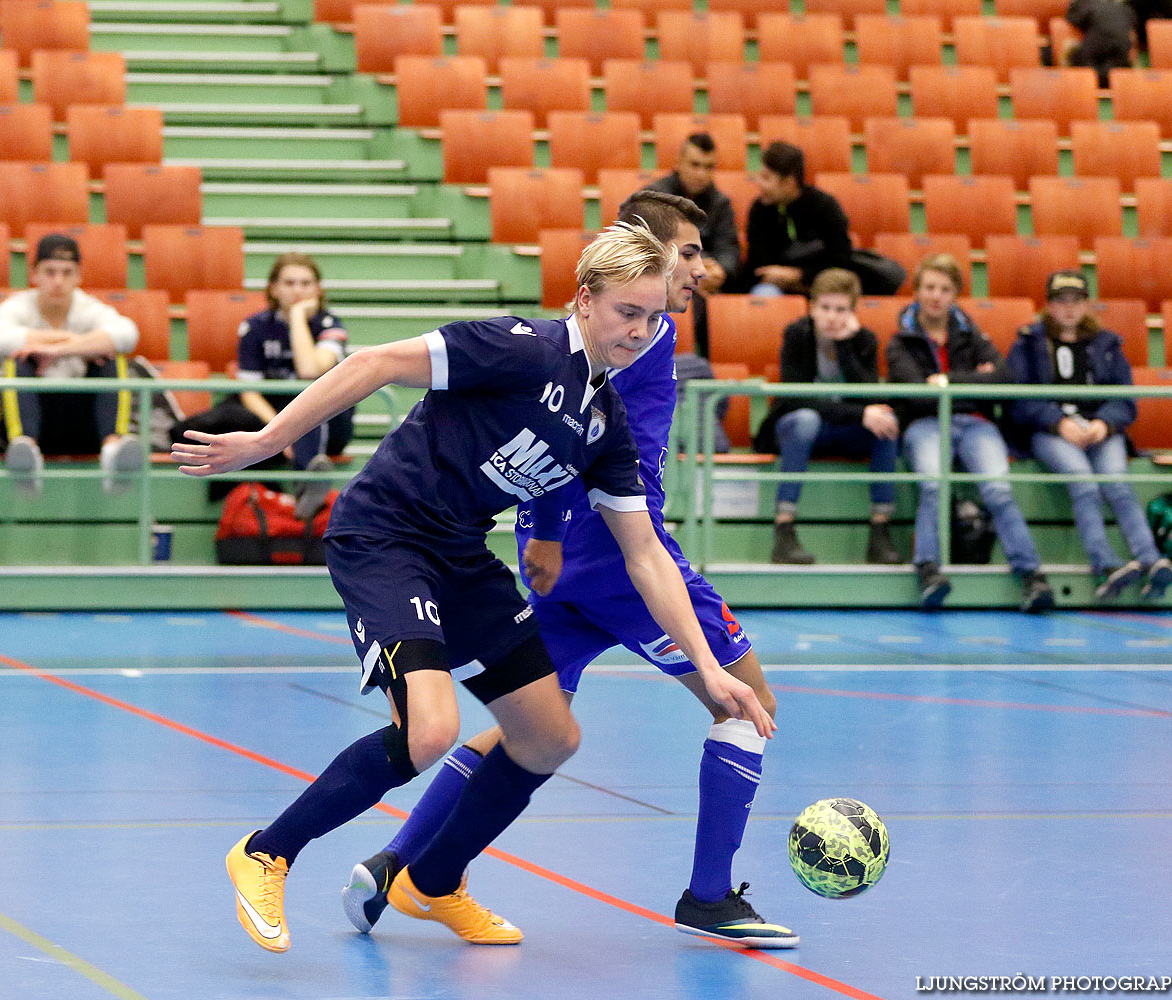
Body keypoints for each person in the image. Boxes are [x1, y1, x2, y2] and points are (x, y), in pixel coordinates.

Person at [172, 220, 776, 954]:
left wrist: (709, 669)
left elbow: (645, 552)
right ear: (584, 300)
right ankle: (268, 851)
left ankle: (432, 883)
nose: (641, 332)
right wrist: (267, 444)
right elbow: (376, 363)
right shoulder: (520, 348)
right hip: (386, 536)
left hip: (460, 553)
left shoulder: (603, 423)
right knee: (430, 731)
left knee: (549, 736)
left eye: (654, 319)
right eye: (627, 313)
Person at [337, 191, 798, 950]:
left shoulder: (613, 330)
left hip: (575, 559)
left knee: (534, 730)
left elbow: (553, 425)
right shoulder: (637, 330)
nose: (700, 268)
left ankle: (400, 864)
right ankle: (709, 896)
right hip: (625, 556)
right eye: (686, 252)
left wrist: (543, 530)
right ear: (638, 260)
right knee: (746, 702)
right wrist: (545, 525)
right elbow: (565, 421)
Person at [887, 254, 1054, 612]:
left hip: (975, 423)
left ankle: (1031, 576)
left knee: (998, 489)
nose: (936, 296)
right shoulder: (901, 340)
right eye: (929, 287)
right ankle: (928, 570)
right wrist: (974, 378)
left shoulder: (971, 334)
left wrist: (947, 382)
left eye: (945, 289)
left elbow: (1002, 377)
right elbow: (912, 389)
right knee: (933, 484)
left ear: (955, 295)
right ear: (917, 292)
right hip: (926, 423)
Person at [1005, 270, 1172, 600]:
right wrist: (1057, 422)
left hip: (1098, 428)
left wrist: (1105, 423)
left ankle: (1151, 560)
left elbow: (1125, 399)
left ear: (1086, 305)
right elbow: (1019, 400)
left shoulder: (1107, 344)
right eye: (1061, 301)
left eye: (1076, 301)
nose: (1068, 308)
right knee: (1083, 481)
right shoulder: (1027, 342)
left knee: (1117, 483)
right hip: (1049, 431)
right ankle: (1105, 565)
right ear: (1049, 306)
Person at [171, 252, 353, 514]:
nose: (298, 290)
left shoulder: (330, 325)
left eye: (306, 283)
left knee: (313, 407)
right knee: (226, 418)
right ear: (274, 288)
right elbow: (250, 392)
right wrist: (281, 432)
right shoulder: (255, 327)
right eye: (289, 283)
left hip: (321, 417)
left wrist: (299, 317)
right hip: (269, 416)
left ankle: (308, 487)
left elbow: (309, 369)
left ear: (317, 289)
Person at [754, 268, 901, 566]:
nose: (832, 317)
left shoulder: (864, 340)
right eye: (825, 308)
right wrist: (860, 414)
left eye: (841, 310)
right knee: (807, 418)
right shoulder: (797, 334)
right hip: (797, 429)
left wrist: (845, 346)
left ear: (853, 311)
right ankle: (784, 529)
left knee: (886, 422)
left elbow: (871, 398)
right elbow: (795, 397)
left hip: (843, 431)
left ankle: (880, 529)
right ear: (812, 307)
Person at [0, 233, 142, 497]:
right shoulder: (18, 307)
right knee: (17, 359)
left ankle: (113, 450)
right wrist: (81, 343)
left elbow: (127, 335)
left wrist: (58, 350)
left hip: (82, 417)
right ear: (34, 274)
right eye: (50, 272)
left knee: (112, 360)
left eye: (67, 273)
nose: (58, 281)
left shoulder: (88, 308)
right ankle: (25, 449)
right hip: (36, 416)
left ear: (79, 276)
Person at [647, 132, 741, 359]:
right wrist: (697, 270)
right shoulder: (657, 197)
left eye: (708, 167)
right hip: (665, 277)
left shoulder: (720, 202)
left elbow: (729, 247)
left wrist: (720, 270)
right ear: (677, 163)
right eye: (695, 164)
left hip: (709, 282)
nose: (701, 173)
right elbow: (659, 245)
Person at [726, 142, 852, 298]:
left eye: (766, 178)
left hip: (821, 286)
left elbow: (840, 260)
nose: (758, 183)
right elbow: (759, 264)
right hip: (772, 286)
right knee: (765, 294)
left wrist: (798, 275)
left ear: (789, 183)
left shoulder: (826, 207)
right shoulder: (759, 209)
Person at [1064, 0, 1136, 87]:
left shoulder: (1089, 6)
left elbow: (1073, 19)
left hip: (1097, 47)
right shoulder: (1123, 8)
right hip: (1121, 50)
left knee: (1073, 53)